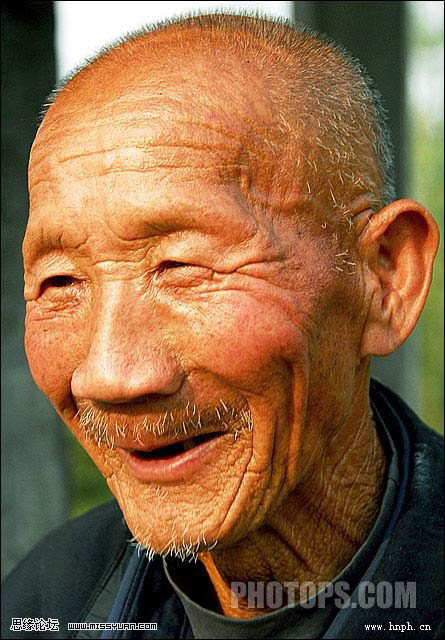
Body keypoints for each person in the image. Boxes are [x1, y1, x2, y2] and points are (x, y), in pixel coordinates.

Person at [2, 12, 443, 640]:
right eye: (61, 282)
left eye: (182, 267)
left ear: (384, 277)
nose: (110, 375)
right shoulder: (52, 597)